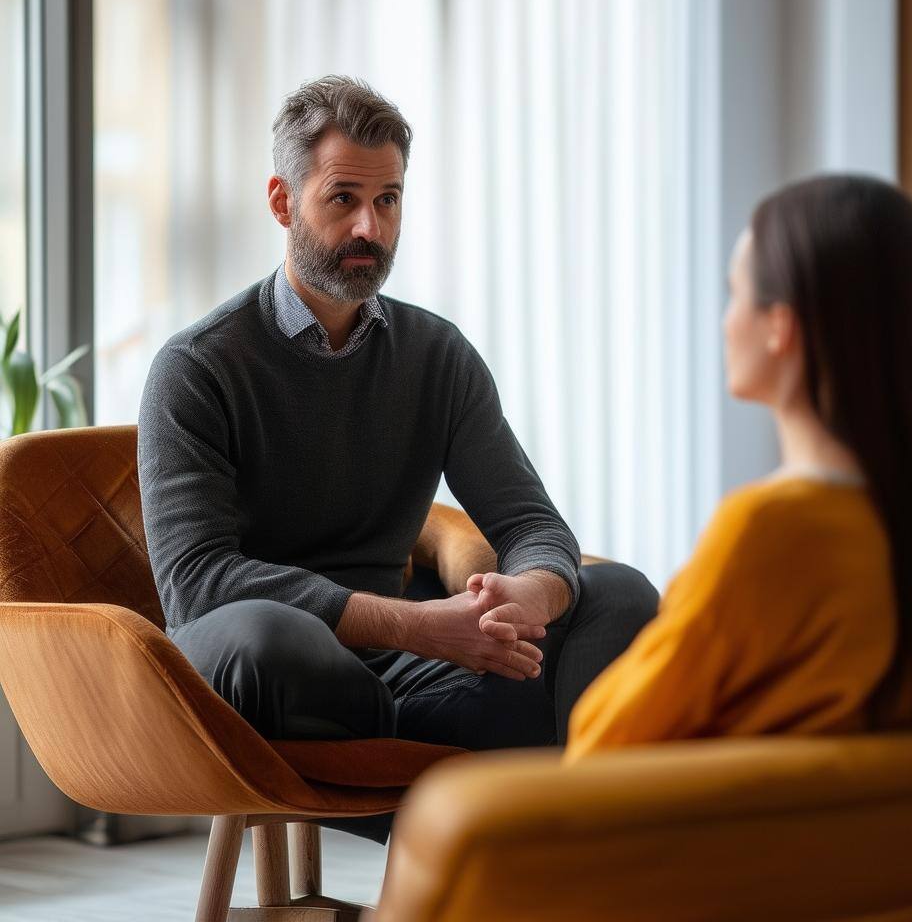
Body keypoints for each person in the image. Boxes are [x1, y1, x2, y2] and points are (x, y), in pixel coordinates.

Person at [137, 75, 657, 838]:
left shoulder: (435, 356)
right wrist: (420, 630)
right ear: (283, 203)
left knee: (620, 596)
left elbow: (533, 523)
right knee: (270, 640)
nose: (370, 229)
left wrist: (530, 598)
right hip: (268, 660)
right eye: (343, 199)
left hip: (400, 670)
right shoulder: (198, 367)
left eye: (389, 201)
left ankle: (577, 832)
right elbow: (197, 584)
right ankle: (466, 758)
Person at [566, 174, 912, 760]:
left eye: (735, 293)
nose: (726, 320)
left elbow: (600, 745)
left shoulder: (767, 532)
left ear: (781, 325)